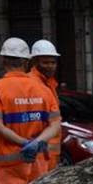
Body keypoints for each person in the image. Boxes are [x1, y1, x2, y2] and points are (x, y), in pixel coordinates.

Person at [0, 38, 60, 184]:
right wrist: (36, 143)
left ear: (3, 61)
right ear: (27, 62)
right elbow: (55, 125)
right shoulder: (44, 88)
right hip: (38, 162)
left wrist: (24, 143)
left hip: (9, 167)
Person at [28, 39, 61, 168]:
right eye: (45, 62)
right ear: (35, 62)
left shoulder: (49, 83)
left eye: (53, 62)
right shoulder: (32, 83)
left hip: (50, 154)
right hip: (40, 152)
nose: (50, 66)